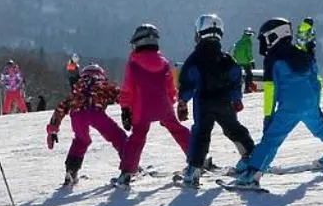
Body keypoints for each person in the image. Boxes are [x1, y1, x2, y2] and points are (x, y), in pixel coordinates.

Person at [231, 18, 323, 187]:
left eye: (266, 38)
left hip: (289, 107)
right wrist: (315, 105)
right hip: (310, 102)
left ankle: (252, 175)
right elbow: (316, 82)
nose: (264, 43)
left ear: (275, 35)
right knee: (320, 127)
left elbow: (270, 91)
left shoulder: (272, 59)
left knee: (271, 139)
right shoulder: (302, 53)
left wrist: (268, 117)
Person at [175, 14, 256, 187]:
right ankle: (251, 157)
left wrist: (182, 101)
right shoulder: (226, 58)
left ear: (199, 33)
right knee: (233, 128)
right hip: (224, 101)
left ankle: (193, 170)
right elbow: (236, 77)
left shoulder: (194, 59)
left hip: (203, 103)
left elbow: (188, 81)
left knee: (201, 134)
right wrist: (236, 99)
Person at [113, 23, 190, 187]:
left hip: (142, 109)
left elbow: (127, 89)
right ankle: (197, 158)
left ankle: (127, 173)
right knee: (178, 129)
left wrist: (126, 109)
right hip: (164, 106)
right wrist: (170, 104)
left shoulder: (133, 64)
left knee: (137, 138)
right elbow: (170, 88)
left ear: (138, 43)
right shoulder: (164, 63)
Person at [45, 62, 127, 186]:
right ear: (100, 74)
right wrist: (132, 110)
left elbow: (61, 108)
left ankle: (71, 170)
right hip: (95, 112)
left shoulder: (77, 89)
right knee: (118, 136)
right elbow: (122, 96)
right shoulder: (102, 84)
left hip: (77, 115)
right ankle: (129, 167)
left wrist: (52, 130)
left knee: (81, 140)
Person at [231, 28, 258, 92]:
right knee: (249, 74)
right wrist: (252, 61)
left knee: (238, 75)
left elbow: (234, 52)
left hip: (238, 61)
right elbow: (249, 53)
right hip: (246, 61)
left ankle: (236, 88)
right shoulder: (248, 42)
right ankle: (247, 88)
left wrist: (235, 59)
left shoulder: (238, 42)